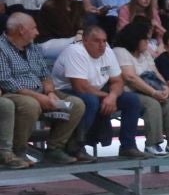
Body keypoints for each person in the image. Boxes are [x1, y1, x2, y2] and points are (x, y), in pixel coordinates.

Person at [0, 12, 88, 164]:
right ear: (21, 30)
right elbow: (6, 81)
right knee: (30, 104)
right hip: (14, 95)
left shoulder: (33, 48)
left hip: (43, 95)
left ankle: (55, 148)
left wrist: (50, 93)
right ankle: (19, 151)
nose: (37, 32)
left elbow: (45, 75)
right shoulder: (1, 48)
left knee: (74, 104)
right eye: (33, 28)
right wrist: (38, 97)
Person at [56, 23, 151, 158]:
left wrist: (112, 97)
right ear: (85, 41)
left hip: (96, 92)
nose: (102, 45)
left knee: (131, 100)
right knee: (90, 101)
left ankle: (128, 146)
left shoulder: (108, 51)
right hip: (64, 94)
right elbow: (80, 87)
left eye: (104, 41)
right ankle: (76, 146)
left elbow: (118, 81)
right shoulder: (75, 51)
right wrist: (107, 96)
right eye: (97, 41)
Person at [111, 21, 169, 155]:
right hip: (129, 92)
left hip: (149, 91)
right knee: (152, 104)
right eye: (146, 39)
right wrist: (153, 92)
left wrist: (165, 88)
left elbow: (155, 72)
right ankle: (152, 144)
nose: (148, 42)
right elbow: (130, 78)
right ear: (136, 38)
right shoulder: (120, 51)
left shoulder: (145, 53)